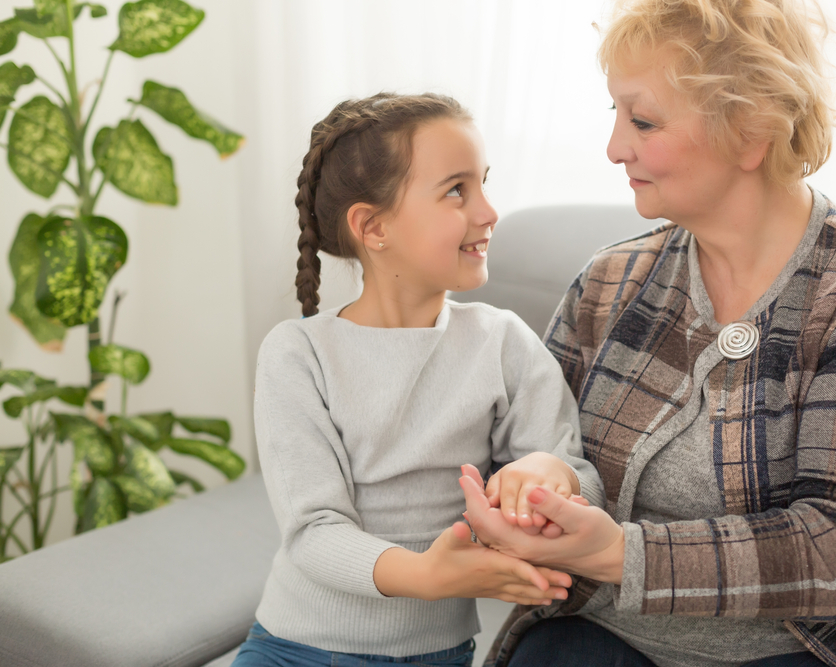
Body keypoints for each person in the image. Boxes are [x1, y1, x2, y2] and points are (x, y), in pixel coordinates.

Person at [459, 1, 836, 666]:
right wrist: (534, 489)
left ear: (751, 130)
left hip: (821, 650)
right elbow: (545, 452)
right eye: (615, 114)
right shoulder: (607, 281)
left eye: (642, 119)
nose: (614, 146)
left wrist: (618, 552)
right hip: (608, 636)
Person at [231, 92, 605, 667]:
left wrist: (548, 473)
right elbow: (313, 530)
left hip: (437, 654)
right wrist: (427, 575)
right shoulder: (298, 353)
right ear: (372, 226)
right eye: (457, 190)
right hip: (295, 647)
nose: (488, 211)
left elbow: (579, 477)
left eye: (483, 183)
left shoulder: (502, 341)